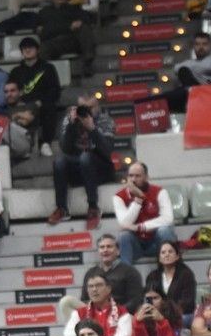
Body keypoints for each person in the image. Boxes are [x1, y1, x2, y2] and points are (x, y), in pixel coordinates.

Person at [44, 271, 131, 336]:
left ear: (108, 289)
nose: (94, 289)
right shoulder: (80, 312)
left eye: (98, 285)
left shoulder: (122, 313)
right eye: (90, 286)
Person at [49, 98, 115, 228]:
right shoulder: (70, 121)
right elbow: (65, 149)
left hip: (101, 169)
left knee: (86, 157)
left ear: (97, 107)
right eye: (82, 108)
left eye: (90, 108)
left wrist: (92, 129)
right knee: (59, 161)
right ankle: (61, 208)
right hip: (78, 169)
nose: (86, 111)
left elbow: (107, 151)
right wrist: (71, 126)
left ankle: (93, 207)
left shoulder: (105, 120)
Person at [114, 162, 176, 264]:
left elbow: (168, 218)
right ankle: (126, 276)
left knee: (165, 230)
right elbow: (125, 223)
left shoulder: (160, 192)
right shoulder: (119, 196)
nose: (133, 180)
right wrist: (138, 200)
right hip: (136, 244)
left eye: (138, 176)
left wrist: (141, 227)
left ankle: (172, 270)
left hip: (156, 242)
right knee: (124, 236)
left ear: (146, 177)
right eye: (130, 176)